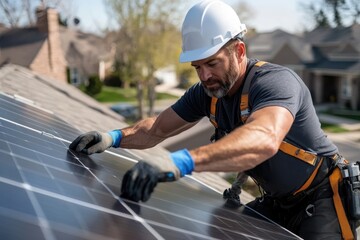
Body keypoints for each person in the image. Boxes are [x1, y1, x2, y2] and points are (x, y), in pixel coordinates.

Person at [69, 0, 358, 239]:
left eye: (212, 63)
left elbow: (264, 139)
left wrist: (180, 162)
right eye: (197, 66)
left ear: (239, 51)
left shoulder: (275, 83)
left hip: (322, 200)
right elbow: (157, 128)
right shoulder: (206, 93)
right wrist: (112, 138)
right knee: (224, 232)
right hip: (277, 202)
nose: (204, 75)